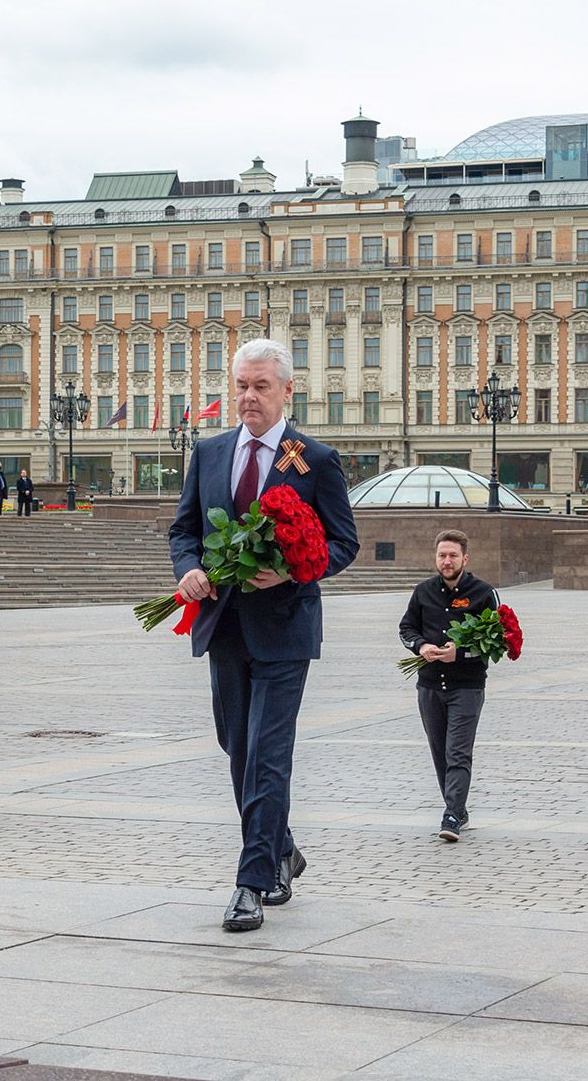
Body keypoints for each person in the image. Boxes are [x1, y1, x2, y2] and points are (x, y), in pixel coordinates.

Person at [170, 338, 358, 931]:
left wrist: (298, 566)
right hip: (223, 626)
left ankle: (250, 883)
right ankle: (282, 848)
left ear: (287, 391)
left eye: (262, 387)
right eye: (243, 387)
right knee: (238, 749)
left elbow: (342, 542)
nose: (250, 398)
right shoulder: (210, 452)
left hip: (284, 629)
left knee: (268, 758)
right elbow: (184, 531)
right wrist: (190, 571)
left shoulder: (314, 459)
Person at [398, 530, 499, 843]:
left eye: (453, 555)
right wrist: (420, 645)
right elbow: (406, 628)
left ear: (465, 559)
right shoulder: (423, 591)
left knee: (457, 752)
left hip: (466, 687)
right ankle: (459, 808)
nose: (447, 560)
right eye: (442, 555)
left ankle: (452, 815)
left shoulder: (483, 592)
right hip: (429, 686)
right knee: (440, 752)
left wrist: (462, 652)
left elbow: (497, 640)